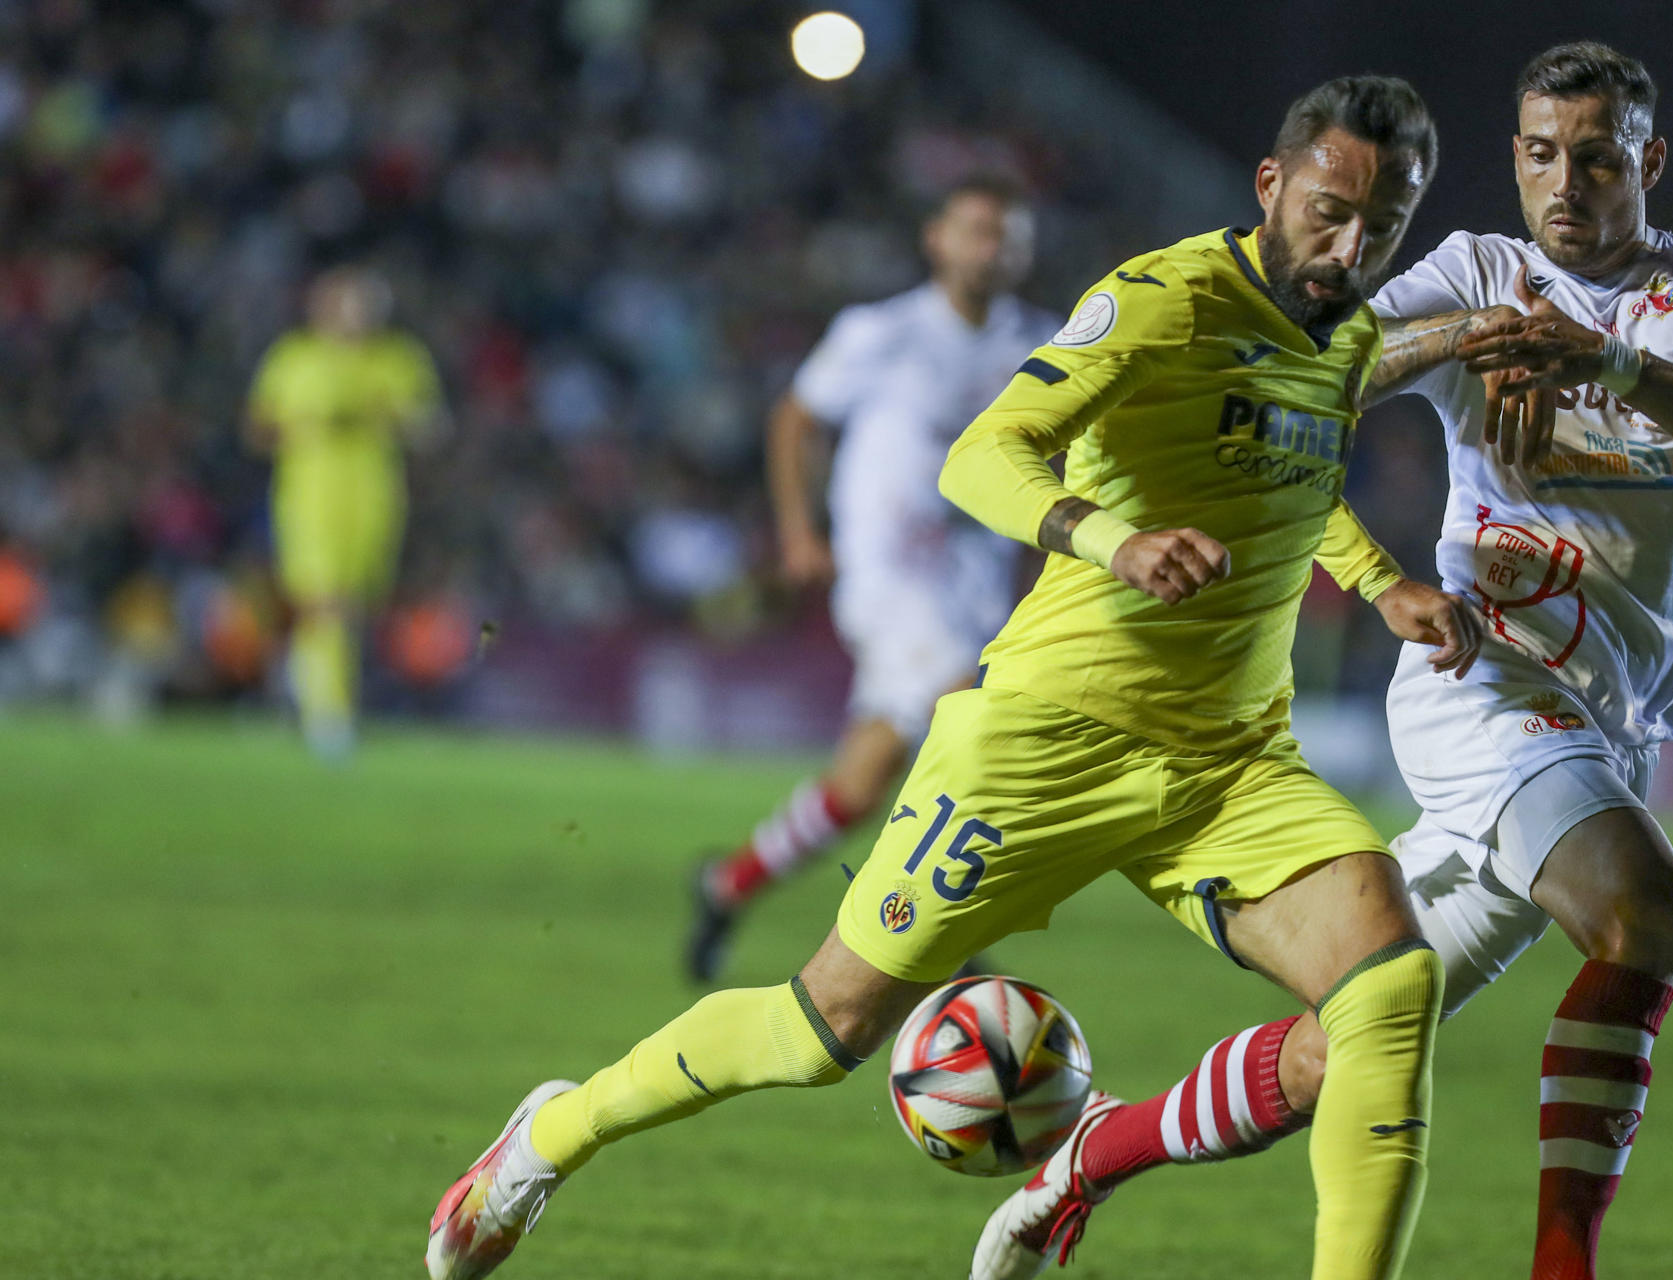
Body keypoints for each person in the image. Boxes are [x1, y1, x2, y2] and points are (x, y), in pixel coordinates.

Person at [426, 76, 1483, 1280]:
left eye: (1381, 227)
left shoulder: (1341, 336)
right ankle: (547, 1137)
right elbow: (984, 454)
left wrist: (1380, 577)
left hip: (1230, 762)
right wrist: (1110, 538)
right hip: (1047, 738)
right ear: (1272, 184)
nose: (1349, 248)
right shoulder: (1163, 299)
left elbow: (1297, 480)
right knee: (821, 1029)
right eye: (1329, 211)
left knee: (1390, 987)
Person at [1159, 42, 1673, 1280]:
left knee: (1352, 1033)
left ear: (1649, 162)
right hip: (1481, 672)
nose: (1564, 180)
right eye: (1539, 153)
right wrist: (1474, 332)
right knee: (1648, 914)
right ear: (1514, 158)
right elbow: (1317, 374)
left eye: (1599, 156)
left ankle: (1093, 1155)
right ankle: (1563, 1265)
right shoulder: (1481, 270)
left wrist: (1604, 359)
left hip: (1604, 714)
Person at [687, 178, 1059, 982]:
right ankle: (933, 932)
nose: (992, 248)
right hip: (890, 576)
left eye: (1008, 235)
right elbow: (797, 418)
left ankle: (728, 885)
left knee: (863, 780)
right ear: (938, 239)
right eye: (978, 229)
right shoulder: (880, 332)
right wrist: (799, 532)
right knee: (975, 716)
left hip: (977, 581)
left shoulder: (1044, 343)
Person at [246, 267, 444, 759]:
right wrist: (306, 426)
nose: (359, 316)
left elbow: (430, 424)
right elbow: (258, 427)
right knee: (323, 602)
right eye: (351, 304)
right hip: (309, 498)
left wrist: (378, 416)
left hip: (375, 498)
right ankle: (328, 718)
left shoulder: (398, 358)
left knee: (354, 608)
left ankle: (306, 692)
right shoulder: (296, 358)